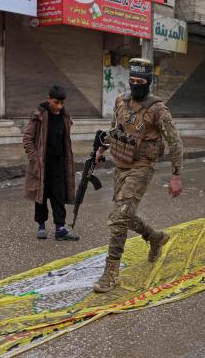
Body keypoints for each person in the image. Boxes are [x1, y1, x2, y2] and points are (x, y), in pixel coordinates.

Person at [92, 58, 184, 293]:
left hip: (142, 165)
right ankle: (154, 237)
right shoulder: (121, 101)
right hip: (121, 163)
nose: (135, 86)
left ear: (148, 82)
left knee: (119, 217)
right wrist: (102, 148)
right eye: (132, 81)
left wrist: (176, 174)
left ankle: (111, 272)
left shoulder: (158, 109)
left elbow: (174, 141)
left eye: (140, 82)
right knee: (125, 214)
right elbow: (115, 128)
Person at [23, 85, 79, 241]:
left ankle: (60, 229)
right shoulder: (39, 115)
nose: (59, 106)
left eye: (62, 103)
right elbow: (27, 140)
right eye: (56, 102)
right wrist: (36, 159)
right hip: (42, 163)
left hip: (59, 162)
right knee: (42, 194)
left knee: (58, 195)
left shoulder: (65, 115)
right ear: (49, 99)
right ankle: (41, 226)